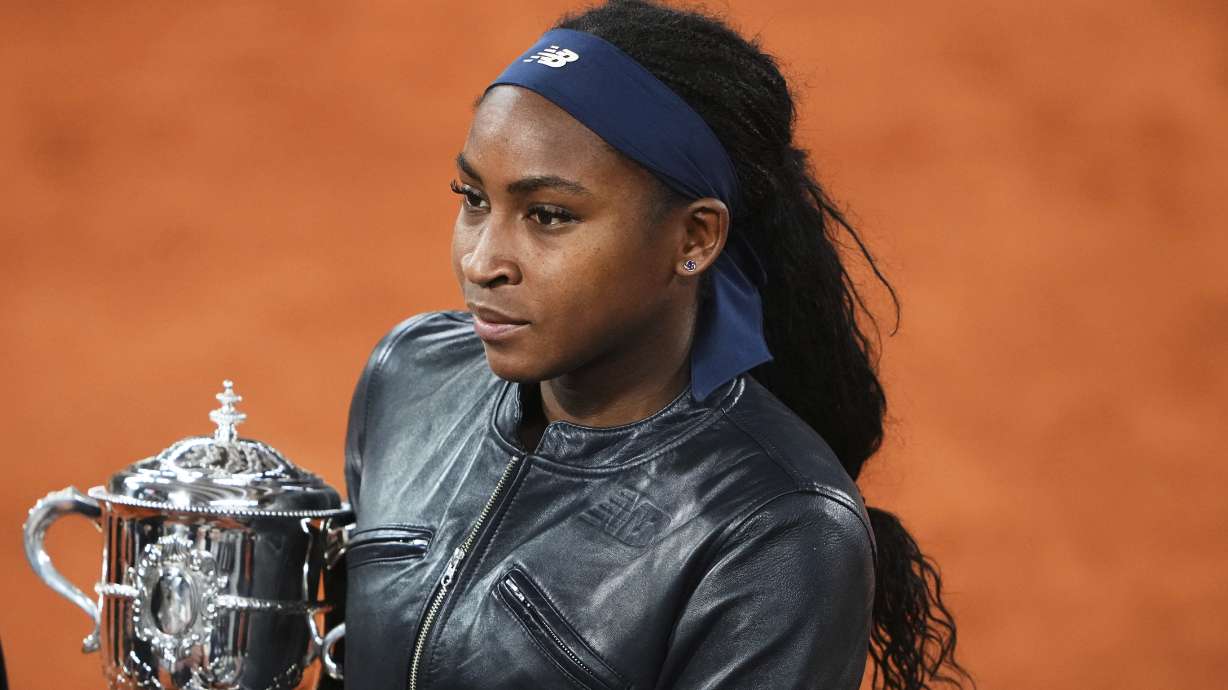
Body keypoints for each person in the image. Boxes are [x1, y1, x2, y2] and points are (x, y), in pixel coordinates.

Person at [324, 1, 974, 688]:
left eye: (548, 216)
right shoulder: (412, 374)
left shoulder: (778, 531)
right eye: (474, 199)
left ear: (694, 239)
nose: (483, 261)